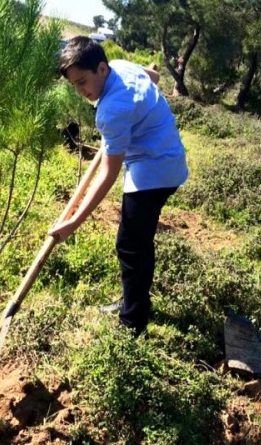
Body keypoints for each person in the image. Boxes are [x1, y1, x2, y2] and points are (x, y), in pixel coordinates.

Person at [49, 36, 188, 336]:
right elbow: (152, 75)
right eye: (74, 85)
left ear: (101, 68)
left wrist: (74, 222)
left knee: (131, 245)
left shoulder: (111, 110)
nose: (81, 91)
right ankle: (132, 301)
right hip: (166, 157)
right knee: (137, 241)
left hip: (155, 170)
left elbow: (108, 176)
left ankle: (132, 323)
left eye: (83, 81)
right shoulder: (122, 66)